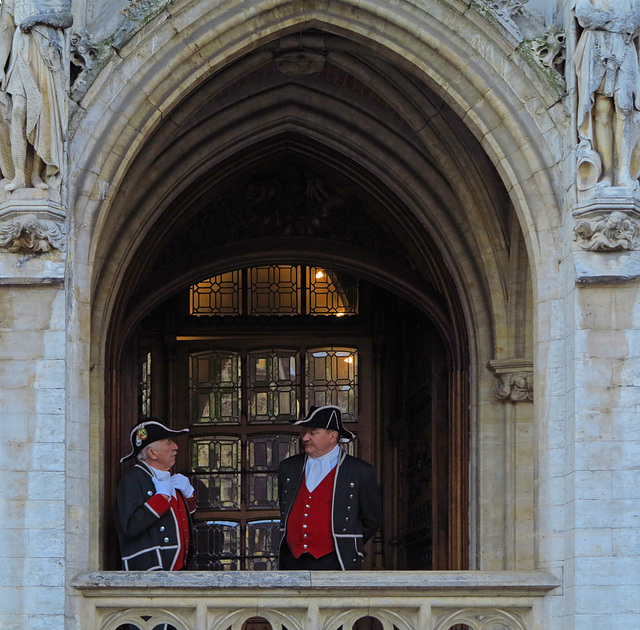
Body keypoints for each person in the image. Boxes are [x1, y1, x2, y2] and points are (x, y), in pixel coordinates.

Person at [278, 405, 382, 570]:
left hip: (336, 560)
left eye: (313, 433)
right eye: (305, 432)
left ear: (333, 436)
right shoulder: (288, 468)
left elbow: (373, 519)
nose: (305, 437)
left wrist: (347, 541)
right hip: (293, 560)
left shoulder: (359, 471)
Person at [0, 0, 71, 190]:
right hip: (21, 49)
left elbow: (66, 18)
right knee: (18, 111)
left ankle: (36, 175)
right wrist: (0, 65)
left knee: (42, 113)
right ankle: (19, 176)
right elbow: (6, 29)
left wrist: (37, 19)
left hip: (47, 52)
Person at [574, 0, 640, 190]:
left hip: (623, 47)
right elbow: (584, 15)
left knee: (625, 105)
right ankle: (607, 174)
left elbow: (634, 21)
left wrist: (603, 20)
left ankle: (624, 172)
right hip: (596, 46)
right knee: (602, 108)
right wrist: (615, 21)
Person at [116, 418, 196, 571]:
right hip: (151, 571)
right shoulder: (134, 478)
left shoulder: (166, 477)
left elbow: (180, 518)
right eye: (168, 443)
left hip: (178, 573)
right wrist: (161, 498)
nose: (175, 447)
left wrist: (189, 496)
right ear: (152, 453)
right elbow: (130, 526)